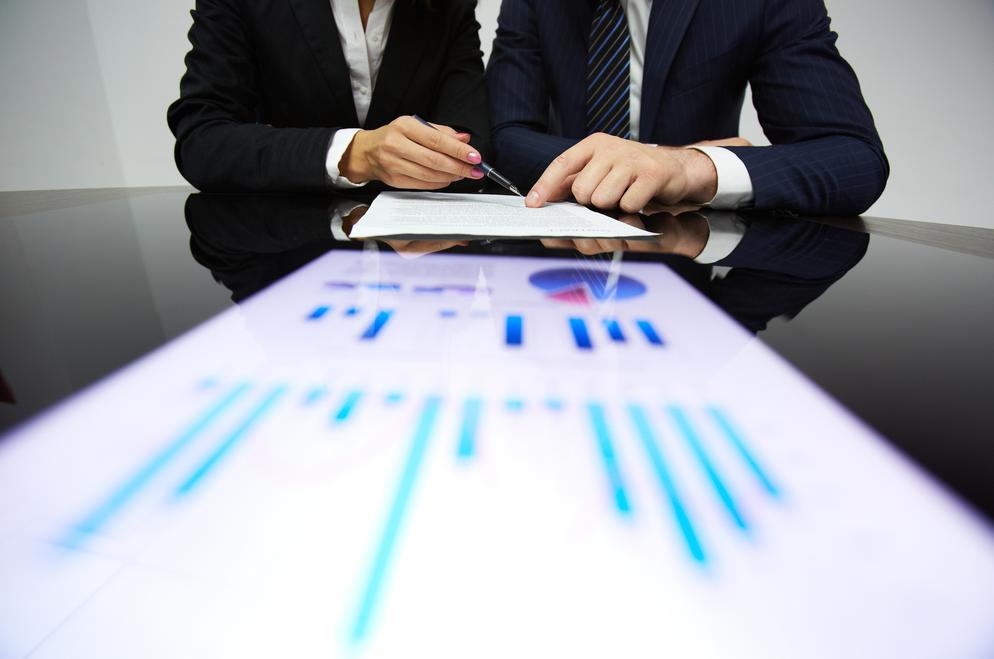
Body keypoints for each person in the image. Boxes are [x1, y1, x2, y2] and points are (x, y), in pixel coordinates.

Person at [487, 0, 889, 215]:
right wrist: (654, 161)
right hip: (561, 250)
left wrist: (692, 168)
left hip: (692, 259)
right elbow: (504, 137)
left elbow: (854, 159)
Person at [168, 0, 490, 192]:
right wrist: (353, 152)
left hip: (414, 256)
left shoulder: (450, 8)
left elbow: (473, 144)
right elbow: (202, 142)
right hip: (279, 253)